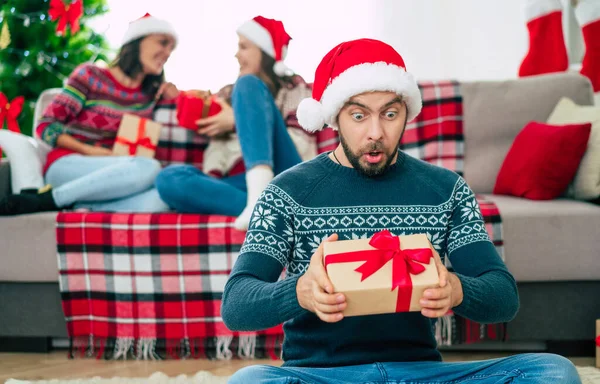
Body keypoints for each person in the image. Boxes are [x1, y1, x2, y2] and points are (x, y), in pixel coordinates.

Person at [222, 38, 581, 383]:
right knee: (250, 379)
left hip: (420, 374)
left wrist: (457, 290)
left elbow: (504, 297)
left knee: (553, 371)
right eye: (359, 115)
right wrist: (299, 292)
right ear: (335, 117)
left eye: (389, 113)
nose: (375, 132)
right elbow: (236, 305)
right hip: (322, 375)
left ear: (407, 112)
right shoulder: (287, 192)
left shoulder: (446, 190)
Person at [0, 13, 178, 215]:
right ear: (136, 42)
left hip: (112, 176)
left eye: (171, 48)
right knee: (150, 168)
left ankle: (76, 205)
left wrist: (173, 97)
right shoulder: (91, 76)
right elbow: (46, 126)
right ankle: (50, 198)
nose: (168, 52)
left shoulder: (148, 96)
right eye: (163, 43)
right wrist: (92, 151)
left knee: (162, 199)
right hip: (68, 166)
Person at [155, 16, 315, 230]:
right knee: (168, 179)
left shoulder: (295, 88)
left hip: (285, 176)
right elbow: (217, 150)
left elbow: (301, 145)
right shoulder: (228, 94)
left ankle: (263, 200)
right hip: (241, 185)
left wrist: (235, 123)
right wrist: (211, 181)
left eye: (244, 47)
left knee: (248, 84)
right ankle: (269, 211)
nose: (236, 54)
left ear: (265, 52)